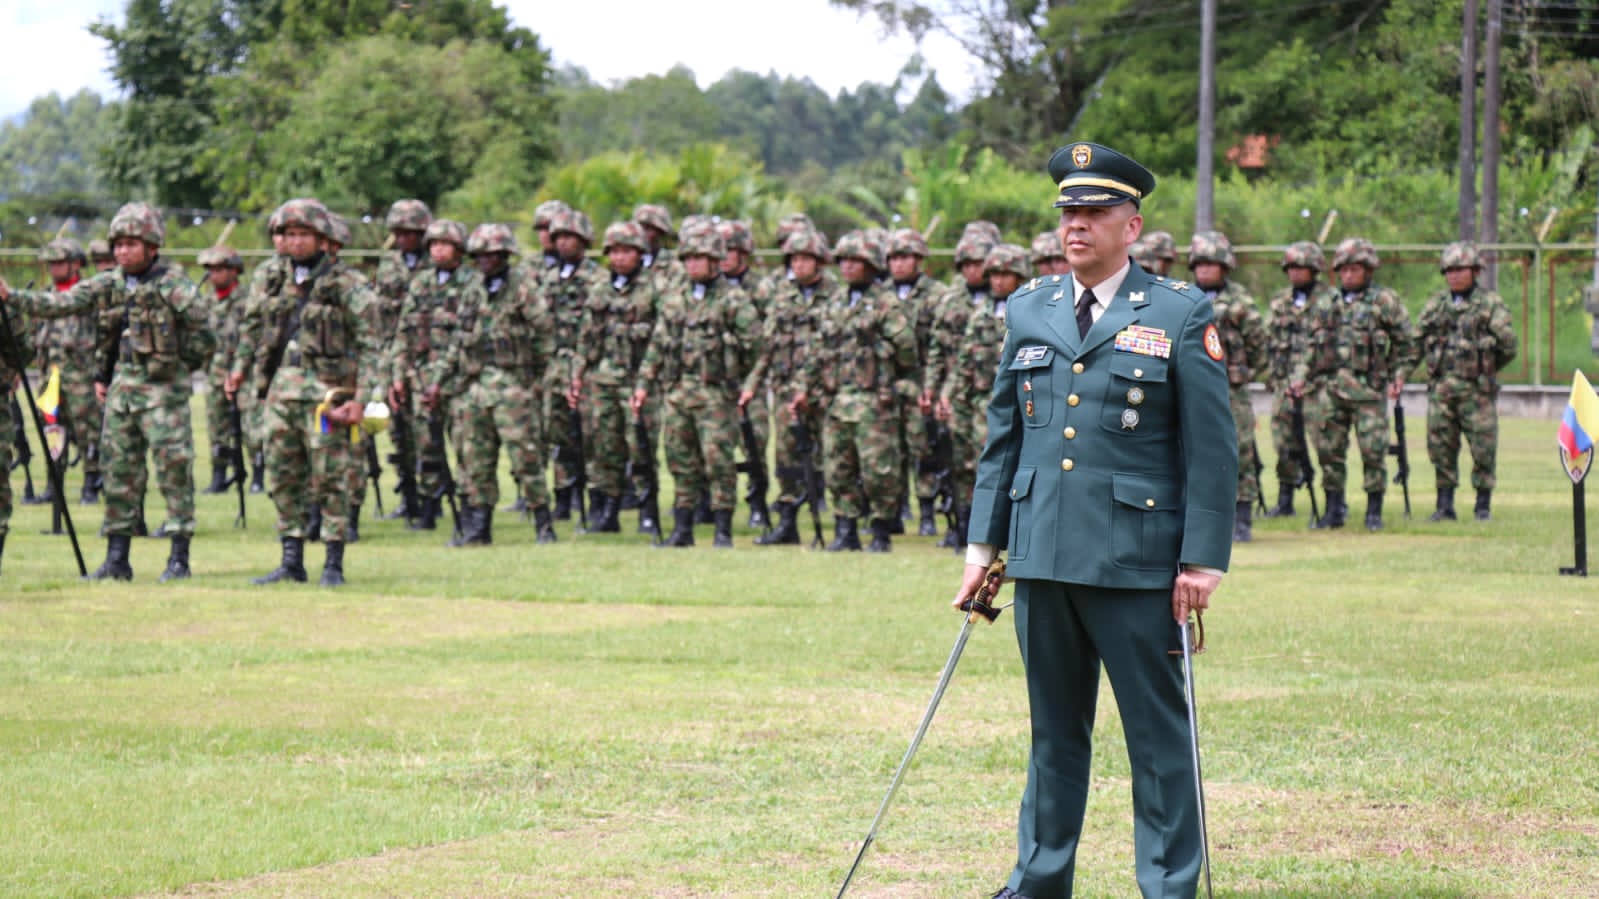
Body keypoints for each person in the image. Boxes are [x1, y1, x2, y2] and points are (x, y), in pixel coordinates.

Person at [951, 141, 1236, 899]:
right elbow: (1002, 438)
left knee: (1155, 737)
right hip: (1039, 554)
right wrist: (981, 546)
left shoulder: (1178, 312)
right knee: (1052, 736)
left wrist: (1201, 560)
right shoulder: (1027, 308)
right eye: (1067, 212)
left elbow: (1210, 448)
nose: (1074, 225)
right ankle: (1038, 881)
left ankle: (1170, 885)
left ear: (1130, 226)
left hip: (1133, 559)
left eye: (1093, 212)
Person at [2, 202, 216, 583]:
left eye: (132, 244)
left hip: (164, 394)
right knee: (119, 473)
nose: (122, 252)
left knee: (173, 472)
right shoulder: (111, 282)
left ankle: (178, 557)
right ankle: (118, 558)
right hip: (122, 394)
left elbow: (205, 334)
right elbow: (61, 303)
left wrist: (181, 367)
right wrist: (12, 298)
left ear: (152, 245)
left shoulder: (174, 285)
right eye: (118, 244)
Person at [228, 198, 380, 587]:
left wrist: (361, 400)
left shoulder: (347, 284)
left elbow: (372, 346)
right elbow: (250, 328)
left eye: (303, 235)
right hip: (281, 394)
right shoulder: (269, 278)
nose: (295, 243)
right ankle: (290, 559)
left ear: (323, 239)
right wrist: (239, 370)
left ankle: (333, 561)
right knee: (282, 475)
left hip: (328, 398)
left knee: (331, 478)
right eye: (288, 234)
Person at [427, 223, 555, 545]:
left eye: (492, 256)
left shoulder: (523, 289)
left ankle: (543, 522)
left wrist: (536, 379)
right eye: (480, 256)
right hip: (475, 386)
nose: (485, 262)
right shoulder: (472, 291)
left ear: (505, 256)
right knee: (475, 461)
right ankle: (479, 527)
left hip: (512, 386)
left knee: (525, 458)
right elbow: (457, 341)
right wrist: (437, 382)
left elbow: (545, 335)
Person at [631, 228, 757, 548]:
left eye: (700, 258)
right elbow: (658, 344)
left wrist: (744, 383)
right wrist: (644, 384)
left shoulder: (733, 299)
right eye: (688, 258)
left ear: (715, 260)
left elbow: (756, 346)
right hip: (677, 392)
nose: (693, 264)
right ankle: (683, 527)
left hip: (715, 394)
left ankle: (722, 529)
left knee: (718, 462)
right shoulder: (675, 298)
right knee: (680, 461)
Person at [795, 230, 917, 552]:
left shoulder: (886, 303)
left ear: (872, 265)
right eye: (844, 261)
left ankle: (880, 530)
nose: (848, 267)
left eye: (856, 261)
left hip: (874, 401)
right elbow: (817, 351)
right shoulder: (834, 302)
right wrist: (804, 389)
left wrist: (889, 379)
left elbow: (906, 349)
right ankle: (845, 530)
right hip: (836, 402)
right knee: (838, 468)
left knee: (879, 470)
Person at [1292, 237, 1417, 531]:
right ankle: (1333, 509)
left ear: (1368, 270)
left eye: (1355, 270)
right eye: (1344, 270)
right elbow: (1311, 347)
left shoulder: (1384, 302)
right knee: (1329, 450)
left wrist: (1399, 376)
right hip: (1331, 390)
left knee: (1373, 451)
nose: (1349, 275)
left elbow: (1407, 345)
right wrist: (1300, 377)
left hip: (1369, 391)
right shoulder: (1327, 304)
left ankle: (1374, 511)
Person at [570, 221, 664, 535]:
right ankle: (607, 511)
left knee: (641, 446)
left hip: (639, 381)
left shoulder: (654, 288)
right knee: (604, 447)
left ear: (640, 254)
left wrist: (649, 379)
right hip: (603, 380)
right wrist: (578, 376)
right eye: (615, 252)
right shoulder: (599, 289)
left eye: (627, 251)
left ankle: (647, 510)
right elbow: (586, 336)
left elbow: (662, 338)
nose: (620, 258)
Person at [1414, 241, 1517, 521]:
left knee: (1483, 448)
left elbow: (1508, 344)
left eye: (1461, 270)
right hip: (1442, 392)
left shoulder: (1489, 304)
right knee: (1440, 448)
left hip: (1477, 392)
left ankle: (1482, 506)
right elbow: (1416, 342)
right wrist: (1400, 374)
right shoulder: (1437, 305)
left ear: (1474, 271)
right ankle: (1444, 505)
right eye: (1449, 270)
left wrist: (1487, 367)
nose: (1454, 275)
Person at [1187, 230, 1268, 541]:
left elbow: (1259, 346)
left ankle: (1242, 518)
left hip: (1230, 390)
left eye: (1212, 263)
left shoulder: (1241, 303)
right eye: (1200, 264)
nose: (1205, 269)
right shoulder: (1182, 297)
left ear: (1225, 266)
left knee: (1240, 450)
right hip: (1191, 388)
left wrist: (1243, 374)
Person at [1263, 241, 1336, 518]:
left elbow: (1326, 344)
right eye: (1291, 267)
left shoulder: (1330, 301)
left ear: (1314, 269)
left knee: (1326, 446)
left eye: (1301, 268)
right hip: (1284, 386)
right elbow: (1268, 339)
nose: (1295, 273)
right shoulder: (1281, 302)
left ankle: (1333, 503)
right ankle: (1285, 500)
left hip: (1319, 386)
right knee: (1284, 445)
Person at [34, 238, 105, 504]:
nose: (54, 268)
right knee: (52, 428)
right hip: (50, 378)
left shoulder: (88, 296)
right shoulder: (45, 296)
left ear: (75, 264)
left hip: (80, 377)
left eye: (60, 263)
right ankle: (54, 485)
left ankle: (91, 484)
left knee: (87, 431)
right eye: (51, 263)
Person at [198, 245, 246, 496]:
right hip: (214, 373)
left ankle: (255, 474)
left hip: (243, 373)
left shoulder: (245, 301)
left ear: (234, 270)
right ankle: (219, 475)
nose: (214, 275)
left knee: (251, 427)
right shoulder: (205, 302)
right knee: (217, 427)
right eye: (210, 270)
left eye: (219, 269)